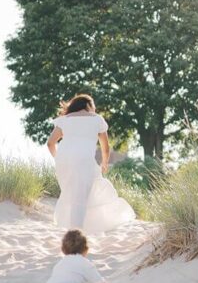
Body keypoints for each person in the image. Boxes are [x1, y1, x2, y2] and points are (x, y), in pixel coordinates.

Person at [46, 93, 135, 234]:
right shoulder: (97, 119)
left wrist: (59, 159)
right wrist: (104, 163)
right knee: (82, 196)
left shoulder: (64, 120)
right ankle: (77, 234)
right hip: (83, 160)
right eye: (93, 106)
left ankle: (75, 230)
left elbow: (50, 143)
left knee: (73, 194)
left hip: (64, 161)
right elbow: (105, 148)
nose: (95, 109)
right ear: (87, 105)